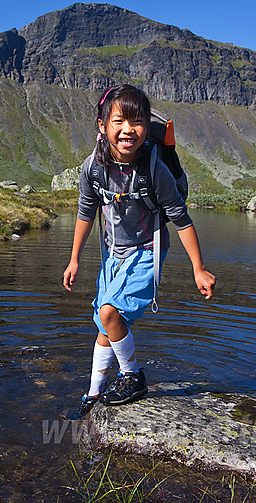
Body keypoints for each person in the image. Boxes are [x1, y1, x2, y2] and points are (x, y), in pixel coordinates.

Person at [62, 84, 216, 419]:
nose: (128, 129)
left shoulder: (155, 170)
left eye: (137, 121)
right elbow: (85, 212)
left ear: (147, 127)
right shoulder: (92, 168)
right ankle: (93, 393)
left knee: (109, 313)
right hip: (111, 254)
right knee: (107, 325)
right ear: (102, 125)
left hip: (147, 251)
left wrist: (198, 268)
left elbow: (180, 218)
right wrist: (74, 259)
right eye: (119, 121)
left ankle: (132, 375)